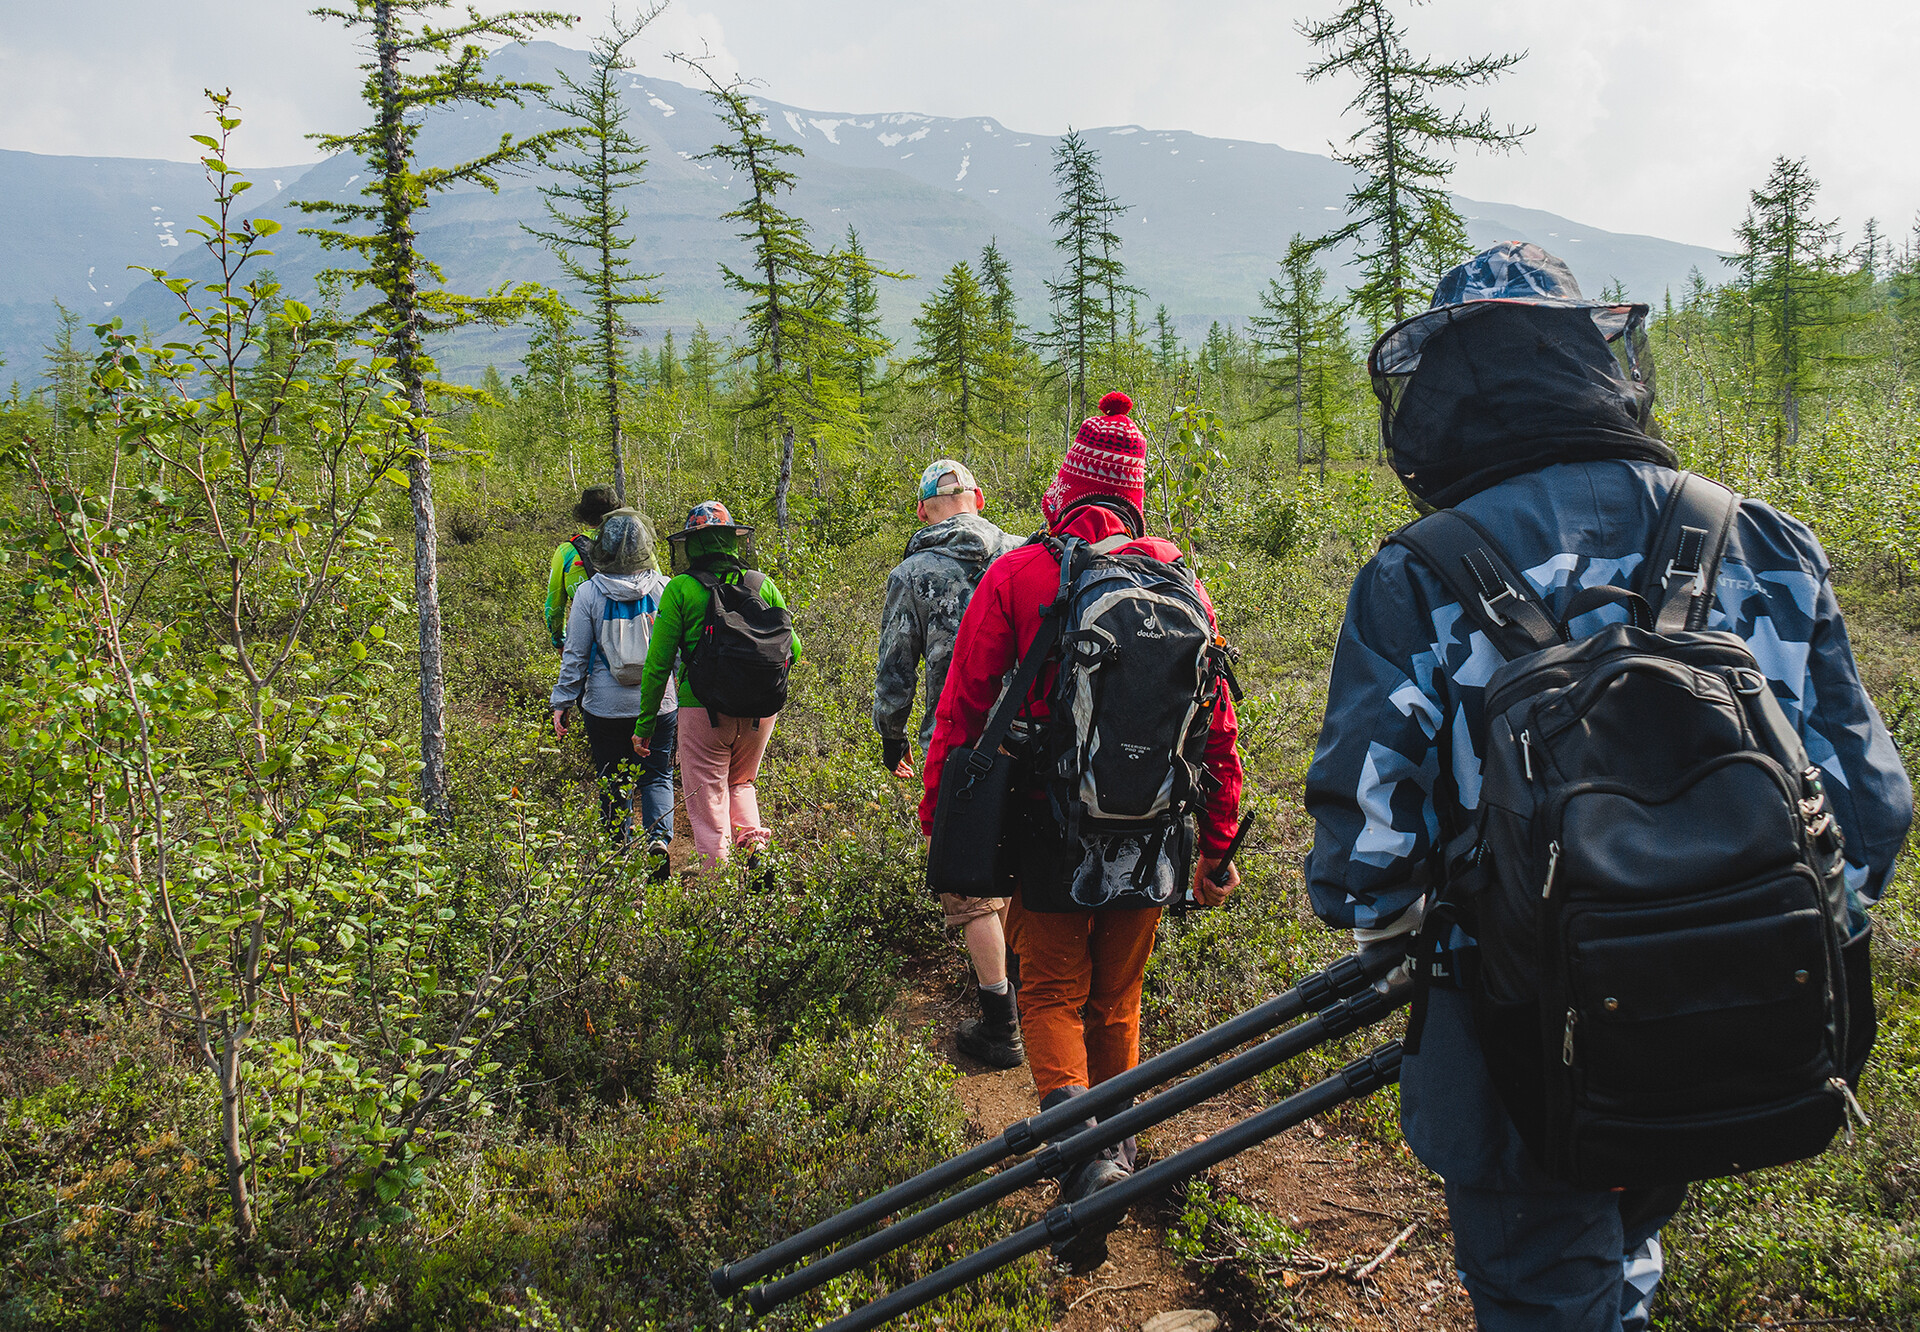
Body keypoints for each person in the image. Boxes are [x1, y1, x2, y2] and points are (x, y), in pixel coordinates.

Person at [1304, 243, 1913, 1331]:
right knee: (1627, 1254)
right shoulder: (1760, 538)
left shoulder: (1418, 572)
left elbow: (1367, 861)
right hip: (1729, 1016)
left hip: (1509, 1045)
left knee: (1546, 1289)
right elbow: (1867, 807)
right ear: (1597, 363)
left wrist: (1421, 952)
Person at [921, 392, 1246, 1270]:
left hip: (1048, 831)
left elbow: (960, 714)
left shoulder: (1023, 573)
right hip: (1154, 836)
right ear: (1137, 495)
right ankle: (1125, 1148)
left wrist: (940, 824)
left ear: (1066, 489)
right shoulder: (1184, 582)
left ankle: (1083, 1162)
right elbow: (1218, 728)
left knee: (1051, 993)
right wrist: (1218, 844)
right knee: (1119, 999)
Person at [876, 459, 1022, 1068]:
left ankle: (1001, 1021)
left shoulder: (914, 572)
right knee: (1021, 858)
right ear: (978, 499)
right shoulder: (1024, 555)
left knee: (968, 881)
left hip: (960, 740)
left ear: (924, 510)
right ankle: (1027, 985)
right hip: (1032, 734)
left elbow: (896, 662)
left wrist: (891, 733)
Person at [633, 501, 803, 870]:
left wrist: (645, 724)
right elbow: (796, 649)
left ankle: (718, 886)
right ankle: (755, 849)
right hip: (761, 712)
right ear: (731, 540)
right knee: (741, 783)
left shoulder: (680, 589)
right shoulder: (762, 583)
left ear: (691, 545)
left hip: (703, 710)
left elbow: (658, 664)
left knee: (707, 794)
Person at [549, 509, 677, 864]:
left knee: (612, 778)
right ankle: (659, 841)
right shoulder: (665, 587)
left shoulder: (589, 593)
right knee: (657, 775)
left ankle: (617, 854)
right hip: (658, 703)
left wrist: (563, 701)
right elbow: (678, 652)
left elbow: (575, 655)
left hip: (603, 707)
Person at [545, 483, 623, 648]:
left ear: (585, 515)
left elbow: (554, 607)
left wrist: (559, 641)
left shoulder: (567, 551)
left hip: (587, 646)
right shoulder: (634, 544)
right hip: (634, 641)